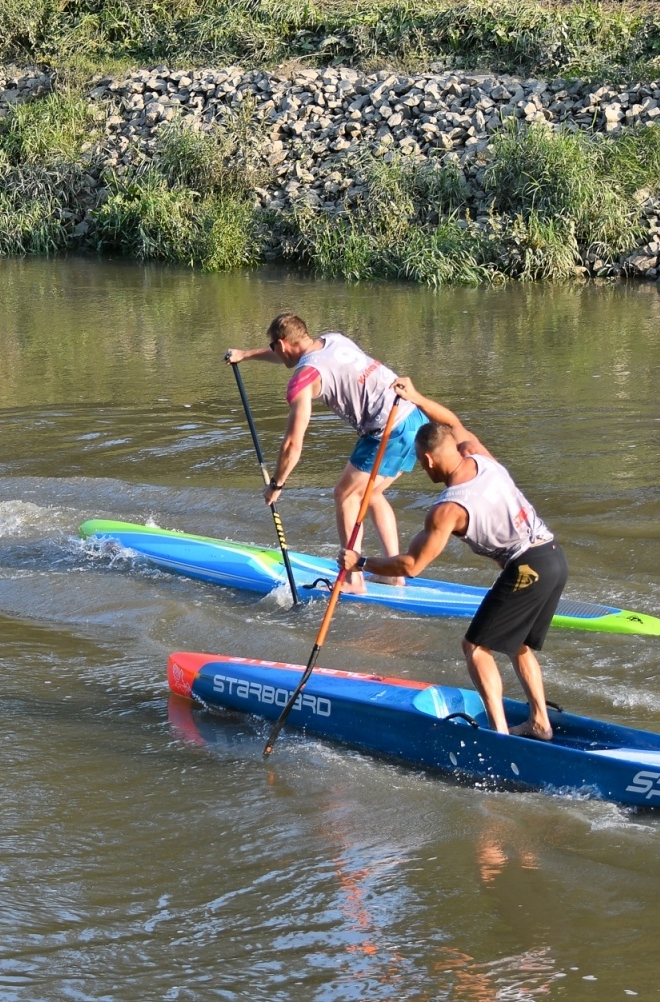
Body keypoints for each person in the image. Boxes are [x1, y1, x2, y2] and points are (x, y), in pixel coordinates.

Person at [339, 377, 566, 740]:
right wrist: (416, 397)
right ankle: (539, 721)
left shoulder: (447, 509)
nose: (421, 469)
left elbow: (412, 566)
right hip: (554, 557)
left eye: (419, 462)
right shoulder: (478, 454)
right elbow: (452, 421)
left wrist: (361, 563)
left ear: (428, 459)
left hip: (528, 567)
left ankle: (499, 736)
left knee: (475, 646)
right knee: (518, 643)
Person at [225, 314, 429, 592]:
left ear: (282, 344)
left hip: (388, 430)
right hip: (414, 419)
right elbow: (293, 354)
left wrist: (277, 484)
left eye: (273, 347)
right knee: (372, 494)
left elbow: (292, 444)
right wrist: (245, 355)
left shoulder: (304, 379)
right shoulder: (333, 339)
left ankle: (352, 578)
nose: (274, 352)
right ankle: (393, 574)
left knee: (344, 494)